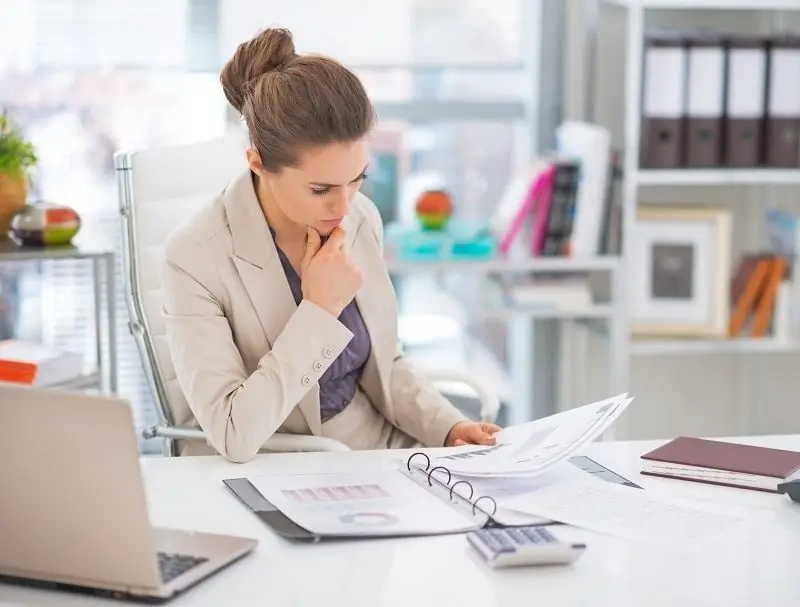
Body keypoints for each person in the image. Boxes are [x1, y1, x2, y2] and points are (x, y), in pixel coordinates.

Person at [160, 27, 500, 463]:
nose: (345, 205)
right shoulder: (194, 257)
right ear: (258, 164)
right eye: (321, 189)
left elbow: (386, 364)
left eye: (357, 179)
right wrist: (319, 310)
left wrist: (449, 427)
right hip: (279, 464)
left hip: (383, 451)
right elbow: (232, 433)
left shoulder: (360, 219)